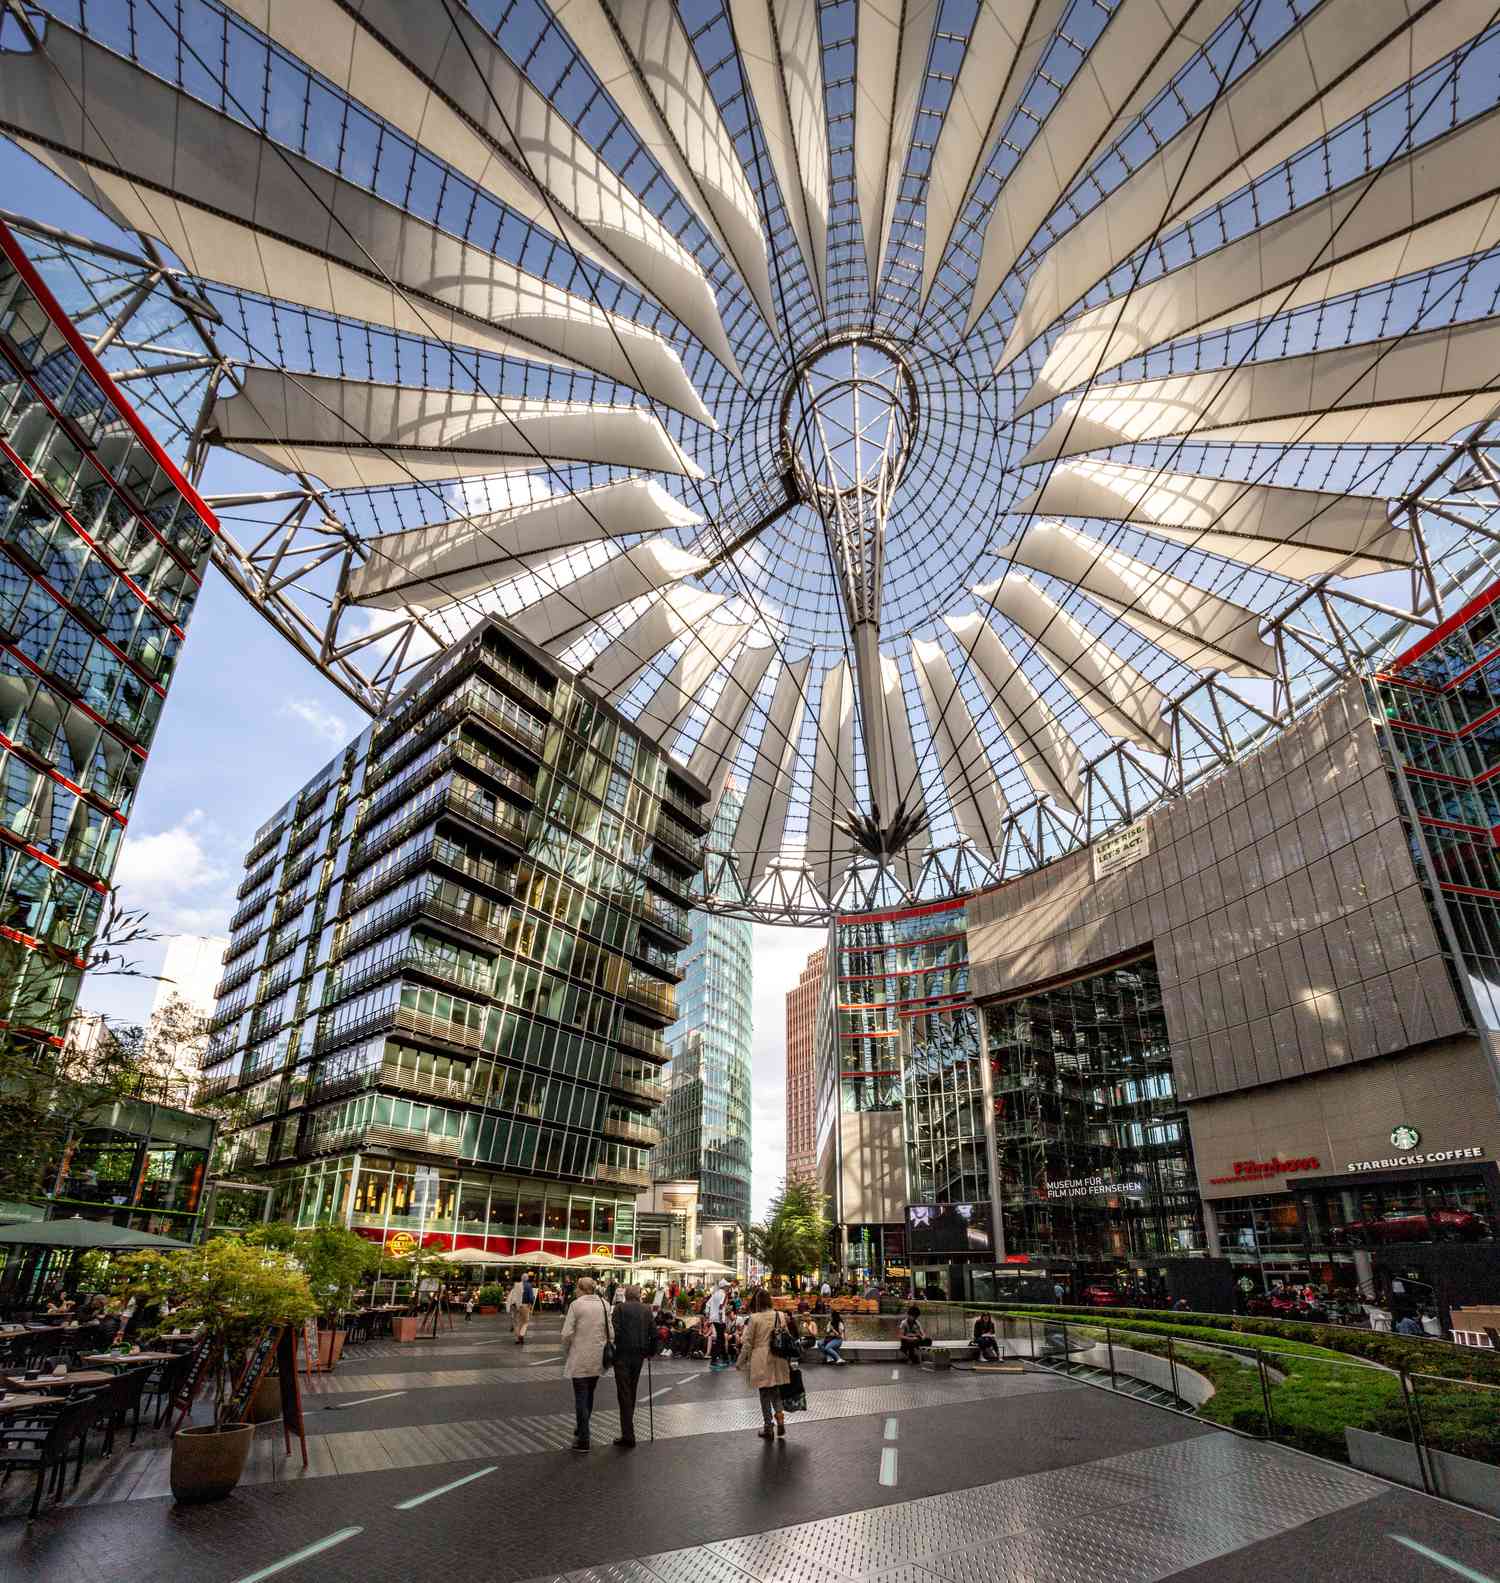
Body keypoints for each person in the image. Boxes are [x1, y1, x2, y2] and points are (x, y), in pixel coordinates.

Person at [561, 1275, 613, 1451]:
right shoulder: (605, 1304)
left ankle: (584, 1438)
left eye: (577, 1287)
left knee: (581, 1397)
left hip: (580, 1358)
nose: (575, 1290)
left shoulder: (576, 1305)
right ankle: (582, 1428)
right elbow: (611, 1332)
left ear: (581, 1289)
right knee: (589, 1394)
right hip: (597, 1358)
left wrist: (568, 1349)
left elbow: (566, 1333)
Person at [737, 1287, 792, 1440]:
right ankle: (780, 1418)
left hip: (761, 1359)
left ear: (757, 1302)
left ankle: (768, 1427)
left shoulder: (754, 1318)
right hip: (778, 1358)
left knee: (764, 1394)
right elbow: (786, 1337)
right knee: (776, 1391)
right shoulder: (780, 1315)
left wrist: (740, 1361)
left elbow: (748, 1343)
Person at [611, 1284, 657, 1448]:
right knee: (631, 1390)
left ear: (626, 1295)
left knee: (624, 1393)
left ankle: (628, 1435)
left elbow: (614, 1332)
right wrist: (650, 1352)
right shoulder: (646, 1310)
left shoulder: (619, 1309)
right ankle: (628, 1432)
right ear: (638, 1296)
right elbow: (654, 1333)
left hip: (622, 1355)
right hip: (639, 1355)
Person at [705, 1279, 730, 1369]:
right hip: (719, 1320)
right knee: (720, 1339)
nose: (728, 1287)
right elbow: (721, 1306)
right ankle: (714, 1360)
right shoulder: (723, 1294)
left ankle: (725, 1358)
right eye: (727, 1286)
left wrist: (708, 1315)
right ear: (724, 1287)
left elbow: (707, 1304)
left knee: (721, 1338)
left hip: (714, 1319)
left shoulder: (715, 1294)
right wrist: (720, 1319)